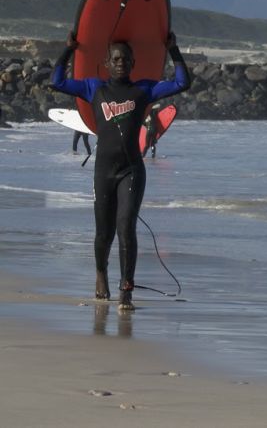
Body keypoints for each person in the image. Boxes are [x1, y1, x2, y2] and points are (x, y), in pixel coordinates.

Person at [52, 32, 190, 310]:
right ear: (106, 62)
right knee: (104, 232)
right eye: (115, 59)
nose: (120, 63)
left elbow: (182, 82)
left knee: (126, 228)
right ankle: (101, 273)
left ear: (133, 63)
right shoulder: (94, 88)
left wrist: (173, 50)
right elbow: (57, 81)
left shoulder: (144, 89)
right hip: (103, 171)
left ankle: (126, 289)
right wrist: (67, 50)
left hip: (131, 170)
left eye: (125, 59)